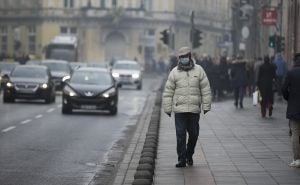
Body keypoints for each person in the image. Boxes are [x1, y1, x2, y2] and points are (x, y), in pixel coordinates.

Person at [162, 46, 212, 168]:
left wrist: (206, 106)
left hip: (194, 110)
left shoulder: (199, 70)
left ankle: (189, 154)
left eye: (186, 56)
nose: (184, 58)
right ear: (179, 58)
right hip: (179, 110)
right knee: (180, 134)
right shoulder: (174, 72)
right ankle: (182, 159)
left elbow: (205, 89)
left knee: (194, 134)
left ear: (190, 57)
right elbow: (168, 91)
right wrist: (167, 108)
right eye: (182, 57)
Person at [282, 53, 300, 167]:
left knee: (295, 133)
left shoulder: (291, 72)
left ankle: (297, 159)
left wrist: (289, 97)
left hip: (294, 107)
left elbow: (284, 88)